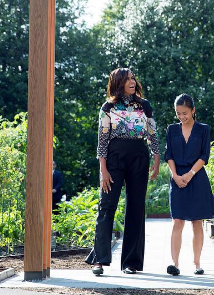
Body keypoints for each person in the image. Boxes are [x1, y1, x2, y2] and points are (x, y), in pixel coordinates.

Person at [85, 68, 161, 276]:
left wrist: (156, 159)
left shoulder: (144, 106)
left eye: (133, 78)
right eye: (127, 79)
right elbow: (102, 139)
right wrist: (103, 170)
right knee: (106, 206)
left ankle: (132, 262)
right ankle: (99, 260)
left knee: (136, 208)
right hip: (114, 158)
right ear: (118, 82)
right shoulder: (108, 107)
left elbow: (152, 133)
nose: (132, 81)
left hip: (139, 156)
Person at [164, 94, 214, 276]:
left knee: (197, 222)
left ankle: (197, 263)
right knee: (177, 221)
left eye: (185, 113)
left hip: (197, 178)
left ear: (193, 110)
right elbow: (169, 155)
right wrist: (176, 176)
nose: (181, 116)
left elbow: (205, 156)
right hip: (177, 178)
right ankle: (174, 263)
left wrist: (190, 174)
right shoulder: (171, 130)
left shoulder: (204, 129)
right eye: (178, 113)